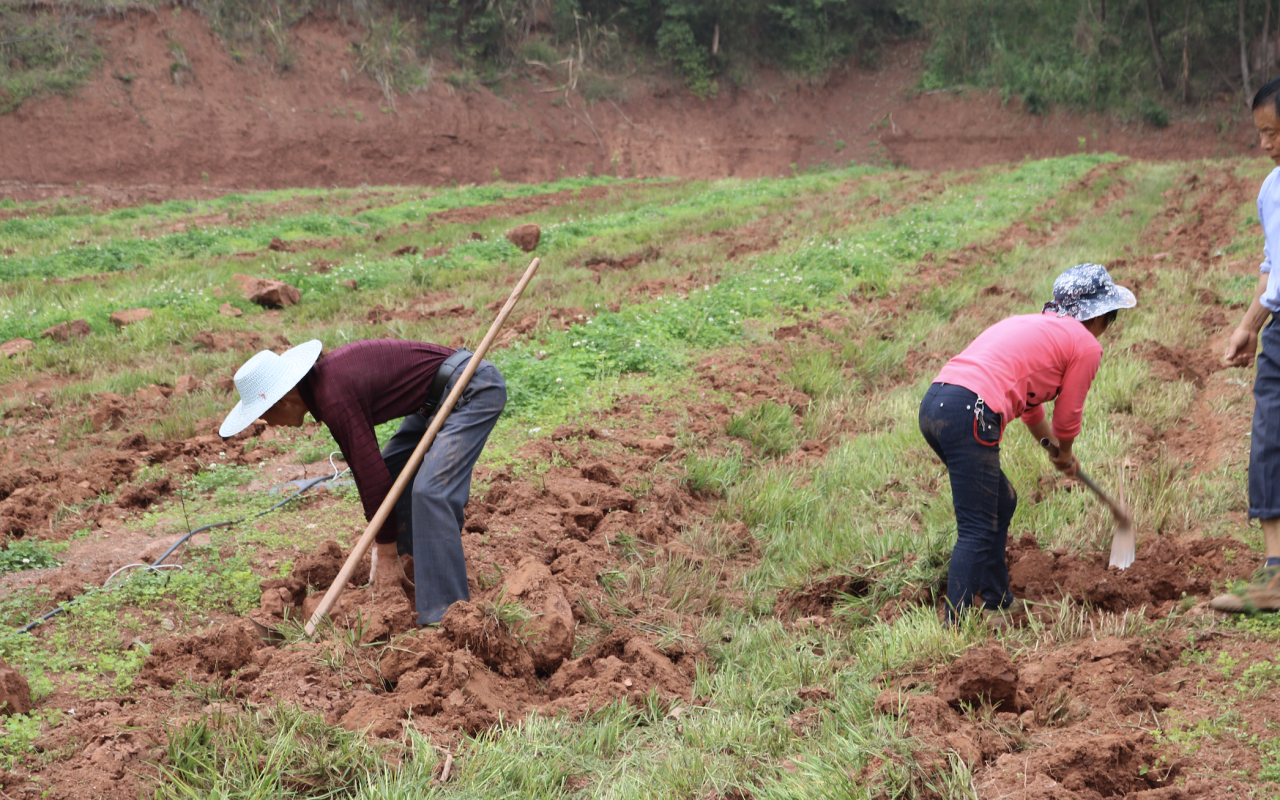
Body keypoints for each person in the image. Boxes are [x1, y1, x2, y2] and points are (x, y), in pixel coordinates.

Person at [219, 339, 507, 626]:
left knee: (432, 492)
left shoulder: (332, 396)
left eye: (264, 414)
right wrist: (383, 547)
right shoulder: (325, 386)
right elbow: (374, 472)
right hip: (432, 401)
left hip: (471, 388)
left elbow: (368, 474)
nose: (270, 424)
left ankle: (445, 614)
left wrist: (384, 552)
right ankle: (414, 573)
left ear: (281, 400)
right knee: (395, 470)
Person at [919, 263, 1135, 626]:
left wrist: (1054, 451)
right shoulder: (1084, 345)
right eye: (1110, 318)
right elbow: (1068, 416)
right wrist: (1065, 451)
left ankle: (996, 601)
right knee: (977, 525)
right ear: (1100, 315)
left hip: (937, 405)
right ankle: (952, 628)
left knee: (1002, 501)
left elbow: (1032, 409)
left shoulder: (1039, 329)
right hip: (973, 410)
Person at [1213, 75, 1280, 613]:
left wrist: (1253, 323)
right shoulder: (1270, 190)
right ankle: (1276, 572)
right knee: (1270, 439)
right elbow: (1270, 268)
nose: (1266, 144)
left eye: (1274, 132)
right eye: (1260, 133)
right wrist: (1248, 325)